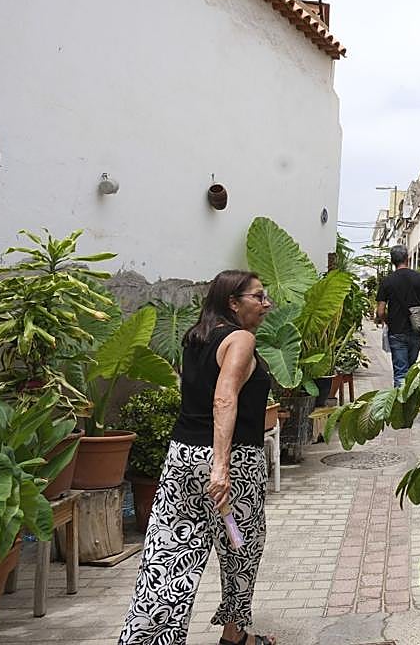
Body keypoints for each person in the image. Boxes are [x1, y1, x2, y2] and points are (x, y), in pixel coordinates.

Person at [119, 270, 277, 645]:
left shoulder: (196, 338)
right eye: (258, 297)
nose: (266, 303)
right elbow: (223, 398)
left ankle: (145, 639)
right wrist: (220, 467)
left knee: (167, 554)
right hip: (232, 462)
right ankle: (234, 635)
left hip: (182, 458)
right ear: (233, 303)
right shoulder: (240, 339)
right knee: (240, 548)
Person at [376, 245, 420, 387]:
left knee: (400, 373)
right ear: (407, 259)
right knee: (410, 369)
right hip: (417, 330)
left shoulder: (387, 281)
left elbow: (380, 312)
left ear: (392, 261)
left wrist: (389, 322)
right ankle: (409, 398)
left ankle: (401, 400)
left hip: (396, 332)